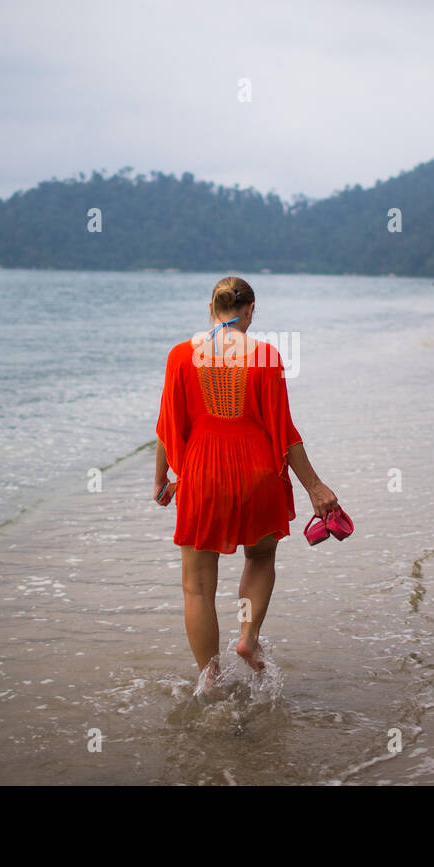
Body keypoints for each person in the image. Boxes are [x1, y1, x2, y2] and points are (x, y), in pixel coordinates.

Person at [154, 276, 337, 686]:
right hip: (257, 475)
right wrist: (315, 487)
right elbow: (283, 432)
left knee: (198, 588)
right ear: (251, 310)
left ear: (211, 307)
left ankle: (209, 680)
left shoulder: (180, 355)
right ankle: (247, 638)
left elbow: (168, 426)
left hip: (202, 476)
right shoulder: (267, 356)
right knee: (258, 557)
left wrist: (161, 478)